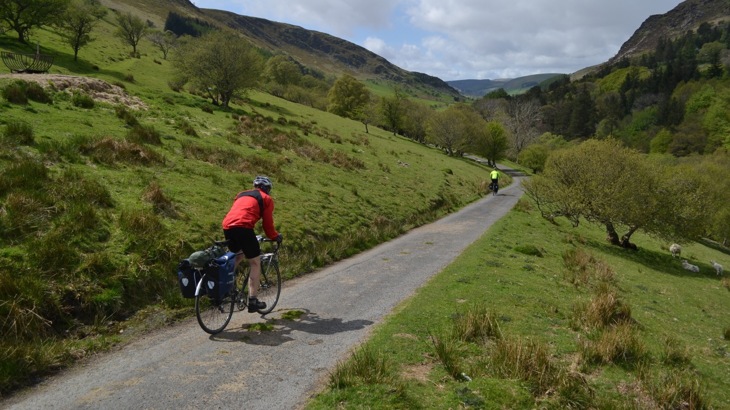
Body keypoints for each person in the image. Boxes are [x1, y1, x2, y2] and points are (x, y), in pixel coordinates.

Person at [222, 175, 282, 312]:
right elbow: (268, 225)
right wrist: (275, 236)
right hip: (244, 227)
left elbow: (240, 213)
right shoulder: (266, 199)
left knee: (237, 256)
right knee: (255, 262)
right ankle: (253, 300)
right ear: (267, 188)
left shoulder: (241, 195)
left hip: (227, 226)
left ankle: (226, 287)